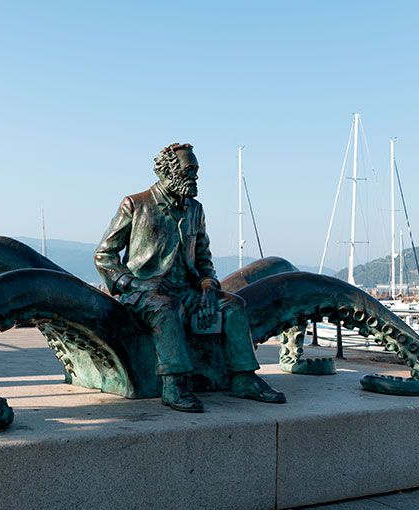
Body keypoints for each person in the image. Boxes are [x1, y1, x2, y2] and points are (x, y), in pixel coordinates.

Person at [94, 142, 286, 412]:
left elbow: (204, 258)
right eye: (189, 170)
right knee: (167, 309)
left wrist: (208, 285)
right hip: (144, 292)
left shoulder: (195, 209)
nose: (195, 176)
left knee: (233, 306)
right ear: (168, 172)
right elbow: (104, 255)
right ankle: (173, 384)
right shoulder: (136, 204)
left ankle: (244, 378)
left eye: (196, 170)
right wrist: (131, 283)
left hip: (187, 289)